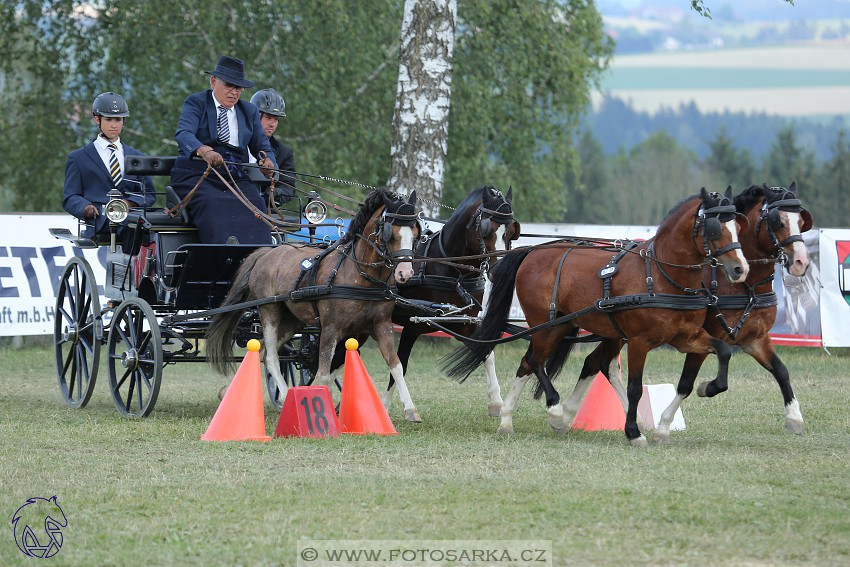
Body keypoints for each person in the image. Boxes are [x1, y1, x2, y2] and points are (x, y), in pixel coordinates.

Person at [169, 55, 277, 244]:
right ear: (213, 82)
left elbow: (262, 147)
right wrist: (204, 151)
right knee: (213, 205)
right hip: (197, 174)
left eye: (238, 88)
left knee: (257, 207)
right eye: (229, 85)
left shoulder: (249, 111)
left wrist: (269, 163)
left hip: (233, 176)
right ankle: (219, 264)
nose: (234, 92)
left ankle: (256, 263)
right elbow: (184, 134)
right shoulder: (196, 103)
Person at [63, 92, 156, 249]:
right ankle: (132, 264)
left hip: (130, 216)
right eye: (108, 119)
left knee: (145, 227)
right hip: (101, 219)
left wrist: (127, 204)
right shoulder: (78, 158)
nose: (114, 125)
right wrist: (86, 209)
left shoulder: (138, 157)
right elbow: (70, 197)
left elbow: (149, 195)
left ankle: (146, 269)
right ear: (97, 119)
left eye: (118, 120)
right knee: (131, 226)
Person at [249, 88, 296, 205]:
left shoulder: (284, 153)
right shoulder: (237, 142)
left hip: (266, 210)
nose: (272, 124)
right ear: (255, 115)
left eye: (276, 119)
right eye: (268, 118)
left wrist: (276, 193)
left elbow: (288, 186)